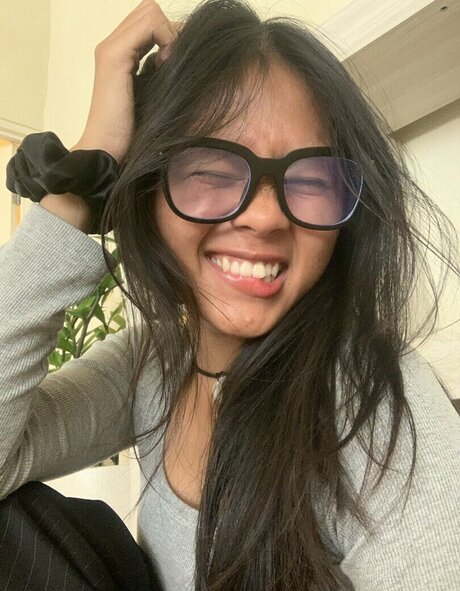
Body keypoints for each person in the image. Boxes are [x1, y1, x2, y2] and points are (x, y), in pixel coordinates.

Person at [1, 0, 459, 589]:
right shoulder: (150, 365)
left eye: (311, 178)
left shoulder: (376, 401)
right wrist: (81, 185)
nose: (265, 217)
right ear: (149, 188)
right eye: (213, 170)